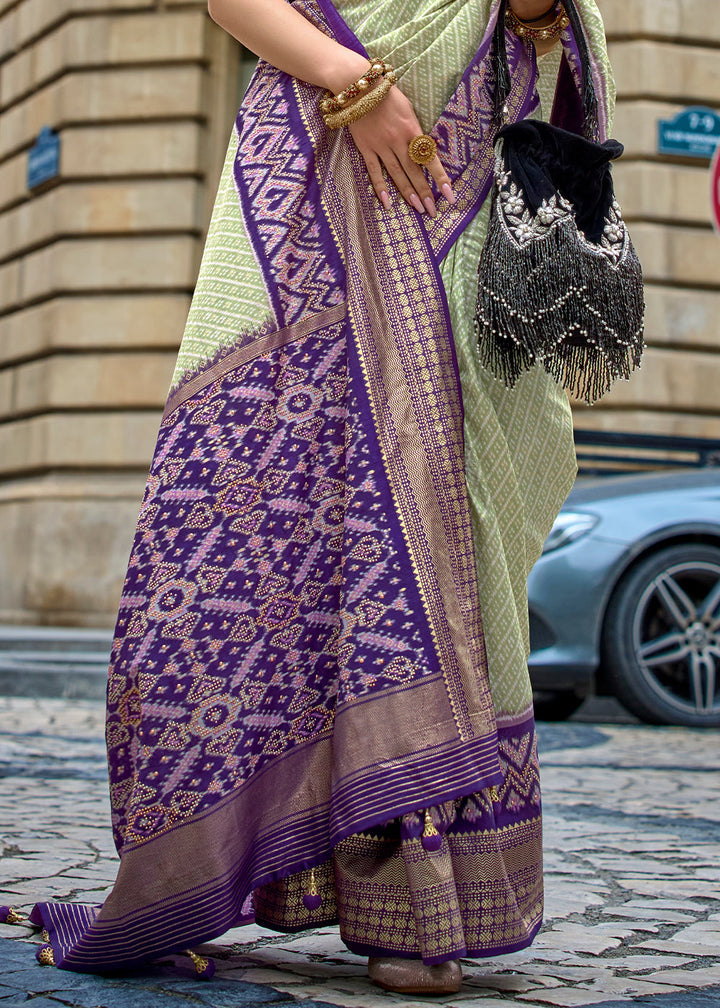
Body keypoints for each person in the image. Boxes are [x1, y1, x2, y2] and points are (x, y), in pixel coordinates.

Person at [21, 0, 614, 995]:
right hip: (318, 193)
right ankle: (249, 869)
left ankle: (422, 910)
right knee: (256, 530)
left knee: (446, 539)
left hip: (462, 202)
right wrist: (355, 84)